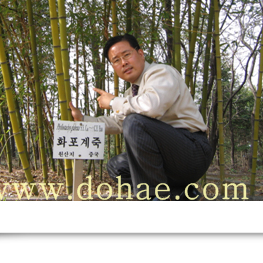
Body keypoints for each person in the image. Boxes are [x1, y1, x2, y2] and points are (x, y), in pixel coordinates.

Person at [69, 34, 212, 200]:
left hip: (192, 152)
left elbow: (151, 106)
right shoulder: (131, 94)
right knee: (117, 167)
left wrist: (113, 101)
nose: (123, 63)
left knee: (134, 122)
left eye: (127, 55)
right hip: (167, 159)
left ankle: (155, 197)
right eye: (116, 60)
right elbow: (117, 122)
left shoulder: (161, 73)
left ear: (141, 54)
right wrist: (83, 120)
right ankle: (182, 194)